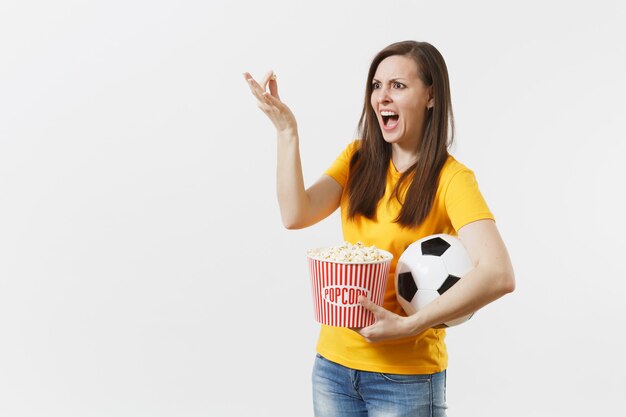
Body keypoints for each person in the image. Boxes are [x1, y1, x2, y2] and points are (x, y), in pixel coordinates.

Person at [244, 40, 515, 417]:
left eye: (398, 86)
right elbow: (295, 214)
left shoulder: (453, 179)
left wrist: (411, 325)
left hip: (405, 380)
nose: (382, 97)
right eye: (376, 85)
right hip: (333, 368)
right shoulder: (357, 159)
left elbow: (498, 273)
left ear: (431, 96)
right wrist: (287, 132)